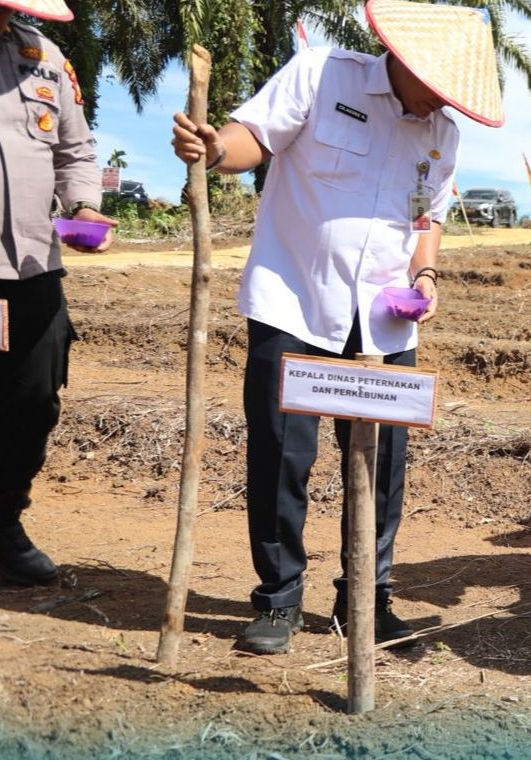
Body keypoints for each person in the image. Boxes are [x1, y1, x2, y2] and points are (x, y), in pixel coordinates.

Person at [169, 0, 503, 654]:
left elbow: (423, 220)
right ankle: (279, 600)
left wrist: (426, 277)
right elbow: (253, 137)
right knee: (281, 457)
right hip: (293, 299)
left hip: (383, 323)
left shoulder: (443, 135)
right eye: (442, 85)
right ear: (408, 60)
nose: (447, 100)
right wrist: (215, 150)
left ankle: (365, 603)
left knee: (381, 468)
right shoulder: (324, 74)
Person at [0, 0, 116, 587]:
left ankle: (4, 526)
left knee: (32, 399)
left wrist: (84, 206)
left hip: (30, 265)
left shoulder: (43, 56)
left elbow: (73, 150)